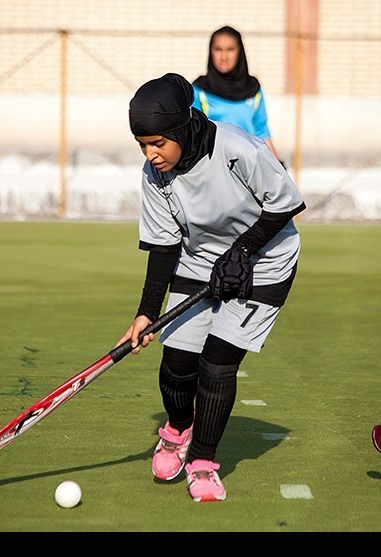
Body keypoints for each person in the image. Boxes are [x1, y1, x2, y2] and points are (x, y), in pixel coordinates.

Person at [118, 73, 305, 503]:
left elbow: (286, 201)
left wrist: (243, 252)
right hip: (200, 260)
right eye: (142, 144)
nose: (151, 154)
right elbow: (164, 247)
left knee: (218, 362)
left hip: (265, 261)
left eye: (158, 143)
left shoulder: (238, 149)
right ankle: (178, 429)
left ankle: (202, 461)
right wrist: (147, 311)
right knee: (178, 361)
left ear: (182, 128)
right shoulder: (154, 175)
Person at [192, 25, 283, 163]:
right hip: (216, 167)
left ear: (240, 52)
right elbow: (192, 135)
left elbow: (261, 129)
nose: (224, 56)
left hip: (251, 165)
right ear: (210, 52)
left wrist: (277, 165)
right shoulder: (199, 90)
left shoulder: (253, 89)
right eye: (218, 49)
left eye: (230, 49)